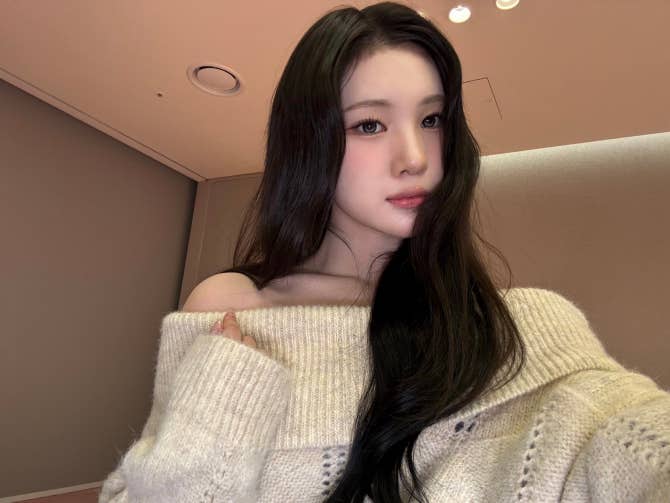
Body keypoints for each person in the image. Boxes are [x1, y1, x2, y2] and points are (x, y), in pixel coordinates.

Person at [98, 2, 670, 502]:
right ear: (308, 142)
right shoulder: (233, 309)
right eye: (370, 124)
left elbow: (618, 431)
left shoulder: (523, 324)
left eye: (432, 119)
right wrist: (220, 412)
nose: (415, 156)